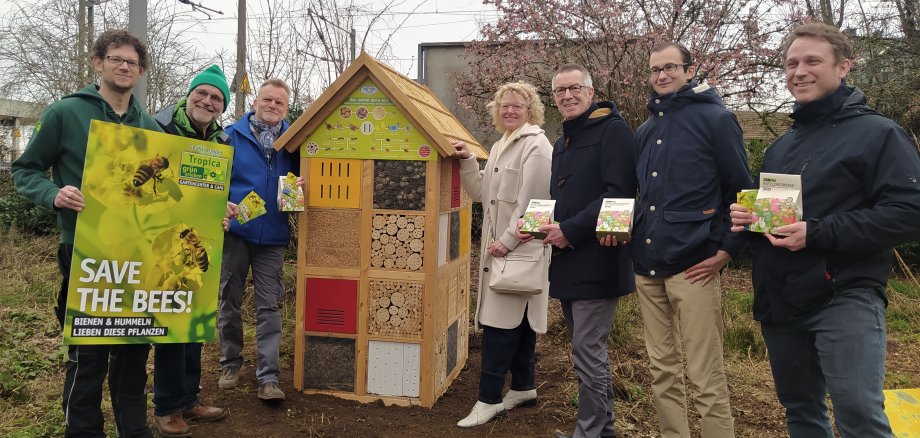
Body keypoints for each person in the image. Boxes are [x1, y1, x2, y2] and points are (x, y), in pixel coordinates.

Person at [729, 23, 920, 437]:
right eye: (791, 63)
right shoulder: (783, 144)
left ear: (844, 66)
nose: (799, 71)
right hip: (780, 300)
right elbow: (778, 220)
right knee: (800, 411)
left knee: (859, 416)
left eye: (812, 61)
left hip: (843, 296)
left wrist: (816, 232)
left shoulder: (879, 133)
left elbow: (909, 213)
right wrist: (750, 224)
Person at [11, 30, 160, 437]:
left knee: (133, 347)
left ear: (141, 71)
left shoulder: (147, 125)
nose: (124, 66)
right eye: (116, 59)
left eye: (132, 62)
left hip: (133, 254)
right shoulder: (66, 113)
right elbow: (25, 170)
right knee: (88, 352)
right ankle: (83, 429)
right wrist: (53, 194)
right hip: (82, 247)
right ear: (99, 62)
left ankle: (134, 429)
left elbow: (156, 194)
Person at [627, 42, 750, 438]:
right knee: (661, 368)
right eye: (655, 70)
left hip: (695, 265)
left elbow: (740, 192)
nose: (662, 76)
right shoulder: (645, 131)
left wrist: (726, 250)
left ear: (690, 70)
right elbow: (643, 197)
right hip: (648, 267)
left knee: (704, 372)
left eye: (670, 68)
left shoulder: (717, 120)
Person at [538, 64, 638, 438]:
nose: (568, 96)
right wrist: (540, 224)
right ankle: (601, 429)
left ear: (591, 92)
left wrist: (569, 230)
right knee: (584, 351)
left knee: (587, 350)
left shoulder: (613, 130)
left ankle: (591, 431)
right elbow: (561, 197)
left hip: (598, 256)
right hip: (567, 260)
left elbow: (619, 193)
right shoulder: (562, 141)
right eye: (560, 91)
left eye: (575, 88)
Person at [450, 82, 553, 427]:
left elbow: (539, 208)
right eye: (503, 106)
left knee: (499, 325)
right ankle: (523, 388)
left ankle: (488, 399)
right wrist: (467, 160)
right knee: (519, 322)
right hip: (503, 251)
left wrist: (507, 241)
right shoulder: (498, 146)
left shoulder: (537, 146)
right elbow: (480, 192)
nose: (509, 111)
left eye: (517, 106)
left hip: (519, 249)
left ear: (531, 110)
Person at [151, 64, 231, 437]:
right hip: (163, 238)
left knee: (195, 322)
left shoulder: (221, 142)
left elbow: (213, 192)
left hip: (199, 242)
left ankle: (189, 398)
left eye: (216, 98)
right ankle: (166, 407)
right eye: (202, 93)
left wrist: (223, 210)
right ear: (189, 95)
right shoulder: (159, 128)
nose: (208, 101)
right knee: (171, 324)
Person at [218, 78, 298, 401]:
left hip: (273, 237)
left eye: (279, 103)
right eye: (267, 100)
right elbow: (216, 181)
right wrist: (221, 207)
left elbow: (301, 183)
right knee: (230, 300)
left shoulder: (294, 141)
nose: (272, 106)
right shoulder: (230, 136)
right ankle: (230, 362)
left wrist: (302, 185)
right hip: (236, 232)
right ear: (255, 102)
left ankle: (268, 377)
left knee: (269, 306)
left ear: (286, 108)